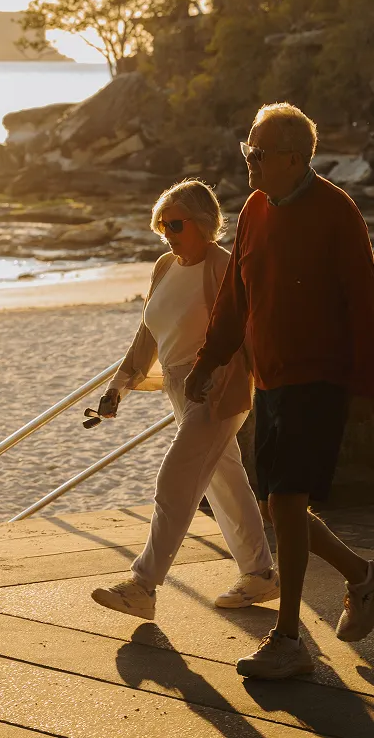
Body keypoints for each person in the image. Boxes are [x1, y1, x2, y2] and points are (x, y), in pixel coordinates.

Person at [186, 102, 374, 680]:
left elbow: (364, 304)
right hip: (270, 378)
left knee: (288, 503)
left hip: (318, 378)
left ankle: (290, 639)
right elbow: (235, 298)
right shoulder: (254, 208)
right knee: (279, 505)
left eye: (258, 154)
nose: (249, 163)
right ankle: (363, 577)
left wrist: (365, 390)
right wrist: (211, 358)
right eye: (247, 151)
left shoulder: (336, 211)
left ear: (294, 158)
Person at [91, 179, 277, 622]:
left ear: (204, 222)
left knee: (175, 481)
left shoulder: (222, 267)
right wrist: (117, 387)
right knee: (225, 481)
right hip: (179, 391)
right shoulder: (164, 267)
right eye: (161, 225)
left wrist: (265, 392)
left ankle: (143, 585)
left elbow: (245, 334)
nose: (167, 234)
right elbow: (148, 334)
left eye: (175, 224)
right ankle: (260, 575)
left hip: (217, 390)